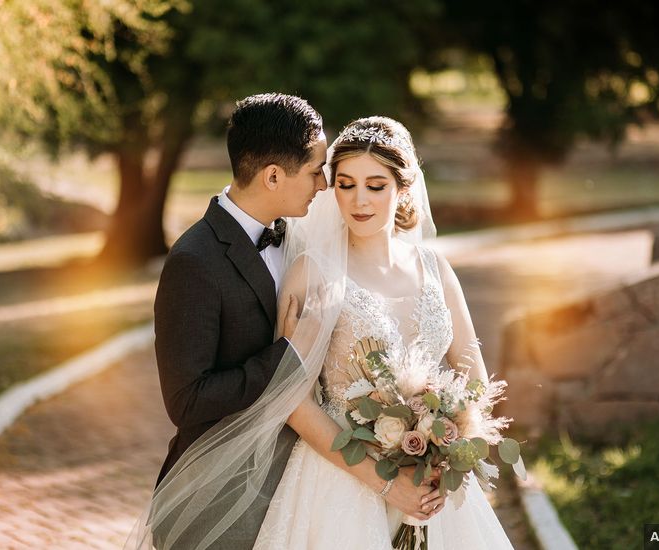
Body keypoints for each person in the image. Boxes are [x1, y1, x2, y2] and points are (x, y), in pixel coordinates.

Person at [127, 97, 441, 549]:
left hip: (311, 488)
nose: (325, 185)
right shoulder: (195, 260)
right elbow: (186, 401)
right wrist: (286, 356)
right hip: (223, 492)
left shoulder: (304, 235)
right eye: (317, 171)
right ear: (273, 176)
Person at [252, 116, 514, 549]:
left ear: (403, 188)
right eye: (345, 184)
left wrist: (441, 460)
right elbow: (292, 401)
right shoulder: (310, 275)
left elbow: (475, 384)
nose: (359, 200)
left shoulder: (437, 270)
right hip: (339, 483)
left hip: (434, 490)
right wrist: (389, 485)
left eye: (376, 186)